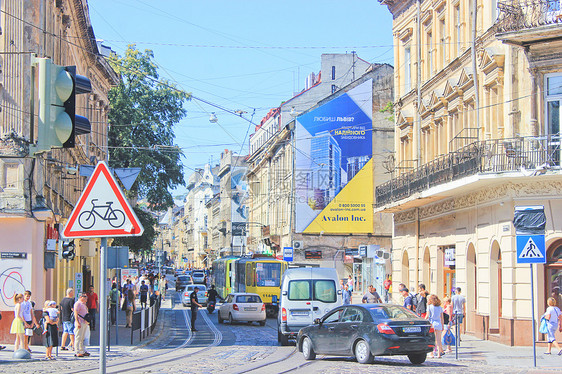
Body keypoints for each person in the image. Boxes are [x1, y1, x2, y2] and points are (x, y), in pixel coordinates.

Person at [73, 293, 90, 357]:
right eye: (85, 296)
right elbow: (76, 313)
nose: (86, 298)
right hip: (80, 322)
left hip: (84, 322)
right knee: (78, 337)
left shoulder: (83, 304)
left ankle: (82, 350)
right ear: (80, 297)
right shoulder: (78, 303)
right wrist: (77, 322)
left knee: (82, 338)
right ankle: (77, 351)